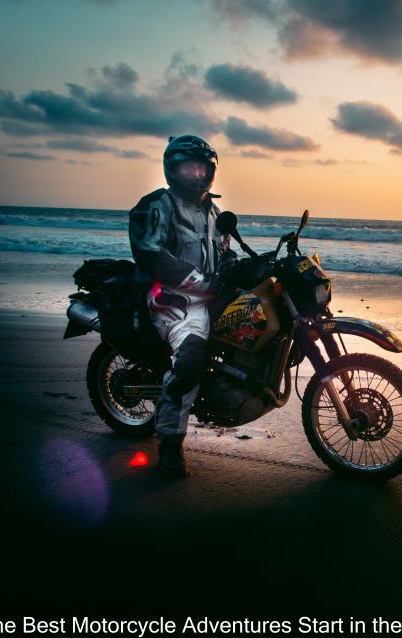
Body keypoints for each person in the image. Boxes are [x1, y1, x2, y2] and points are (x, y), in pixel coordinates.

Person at [128, 135, 236, 477]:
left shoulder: (214, 211)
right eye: (188, 167)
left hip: (210, 298)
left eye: (201, 167)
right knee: (191, 354)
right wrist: (200, 282)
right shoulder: (157, 205)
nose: (195, 174)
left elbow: (226, 253)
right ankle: (170, 445)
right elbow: (151, 254)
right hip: (173, 302)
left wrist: (241, 268)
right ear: (172, 169)